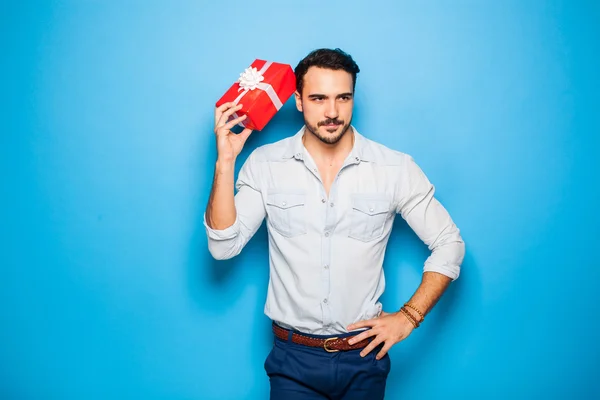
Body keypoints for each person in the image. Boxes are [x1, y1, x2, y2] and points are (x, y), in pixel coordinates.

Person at [204, 48, 465, 400]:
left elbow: (449, 242)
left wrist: (408, 317)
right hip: (292, 360)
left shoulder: (395, 168)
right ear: (297, 101)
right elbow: (223, 247)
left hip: (364, 359)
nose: (331, 112)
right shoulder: (265, 164)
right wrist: (226, 161)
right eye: (318, 98)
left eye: (343, 98)